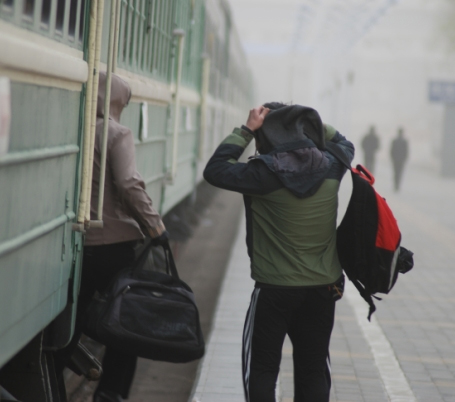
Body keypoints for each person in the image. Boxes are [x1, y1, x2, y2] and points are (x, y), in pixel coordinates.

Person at [203, 103, 354, 402]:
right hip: (323, 287)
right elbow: (345, 143)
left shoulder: (260, 174)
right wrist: (307, 121)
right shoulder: (333, 165)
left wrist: (246, 129)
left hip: (275, 290)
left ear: (265, 136)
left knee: (261, 370)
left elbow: (215, 170)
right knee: (313, 371)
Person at [56, 72, 167, 402]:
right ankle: (111, 393)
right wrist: (156, 228)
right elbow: (130, 186)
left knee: (72, 326)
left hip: (77, 243)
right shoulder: (116, 133)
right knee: (126, 328)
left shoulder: (74, 126)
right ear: (118, 101)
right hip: (114, 247)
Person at [390, 127, 409, 191]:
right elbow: (406, 151)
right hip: (399, 160)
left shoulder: (396, 141)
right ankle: (397, 185)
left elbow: (392, 150)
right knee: (398, 172)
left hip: (397, 159)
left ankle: (396, 184)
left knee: (397, 172)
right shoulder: (403, 141)